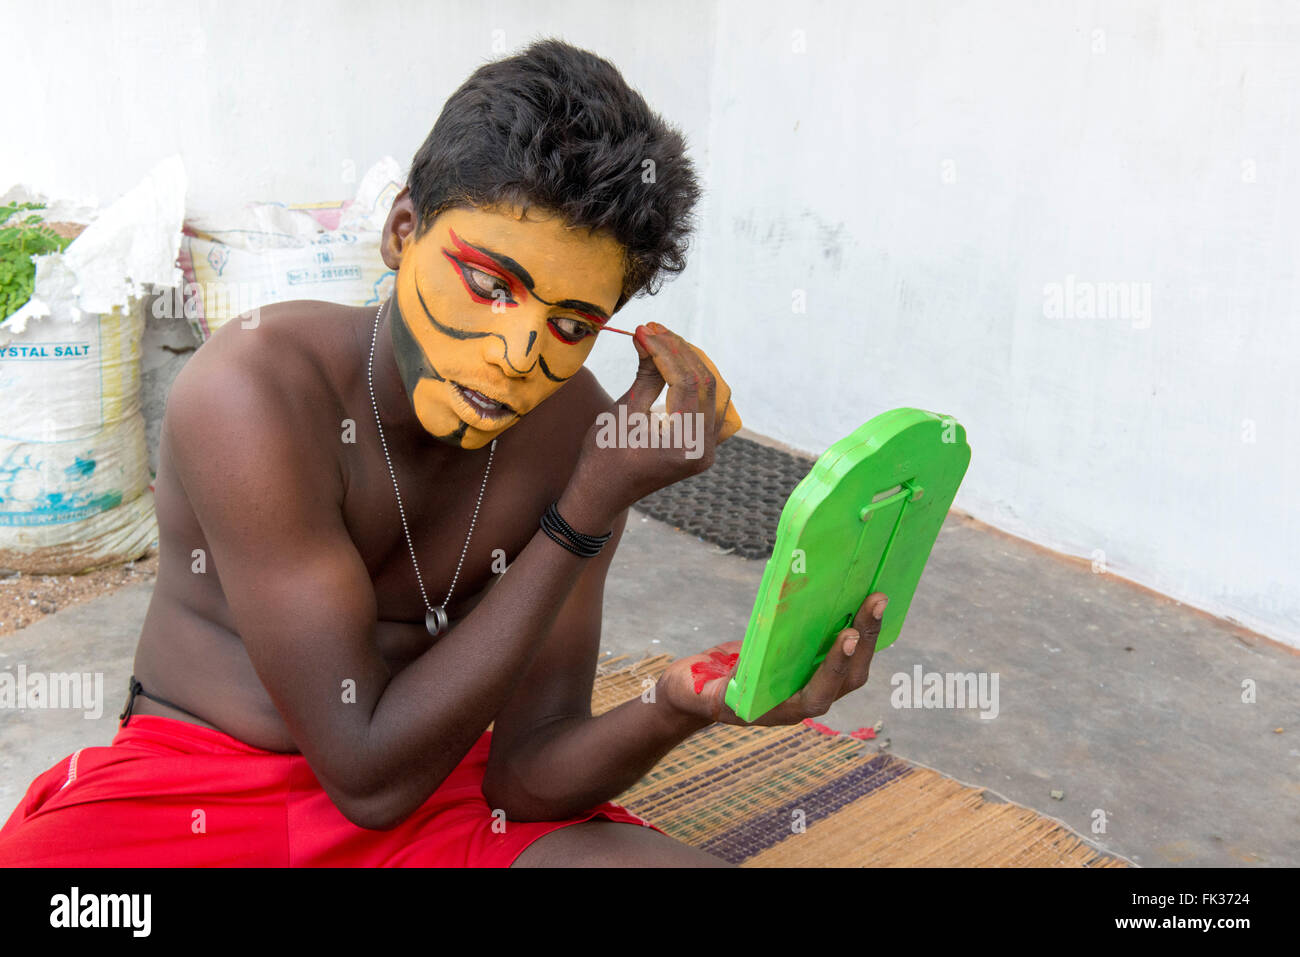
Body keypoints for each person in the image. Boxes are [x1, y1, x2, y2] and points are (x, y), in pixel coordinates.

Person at [0, 37, 886, 867]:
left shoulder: (581, 429)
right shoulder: (255, 391)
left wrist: (682, 705)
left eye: (571, 324)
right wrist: (584, 509)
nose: (517, 353)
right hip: (196, 796)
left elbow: (526, 774)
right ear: (401, 231)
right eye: (491, 284)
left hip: (442, 793)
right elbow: (365, 775)